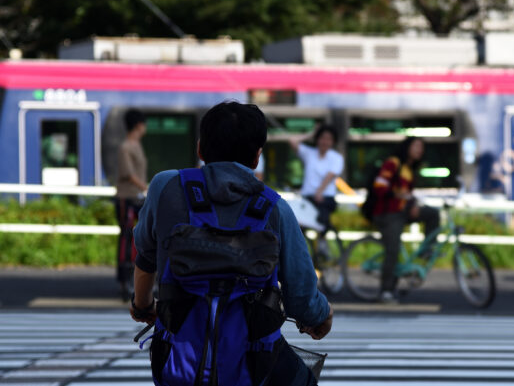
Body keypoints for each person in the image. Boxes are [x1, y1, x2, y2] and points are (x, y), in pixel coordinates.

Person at [130, 101, 333, 385]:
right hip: (254, 364)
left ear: (200, 149)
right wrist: (322, 316)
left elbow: (145, 258)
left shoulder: (166, 188)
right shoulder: (274, 208)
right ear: (256, 158)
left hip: (177, 361)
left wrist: (142, 306)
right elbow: (301, 299)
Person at [370, 136, 440, 305]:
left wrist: (412, 204)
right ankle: (386, 290)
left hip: (402, 212)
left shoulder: (409, 169)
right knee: (392, 250)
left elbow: (407, 195)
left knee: (433, 214)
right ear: (407, 147)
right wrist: (403, 197)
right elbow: (380, 187)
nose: (419, 150)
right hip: (387, 213)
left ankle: (426, 250)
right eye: (416, 146)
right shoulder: (393, 163)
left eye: (421, 147)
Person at [115, 109, 147, 299]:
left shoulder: (135, 145)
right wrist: (147, 188)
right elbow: (129, 174)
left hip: (137, 198)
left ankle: (134, 280)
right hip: (126, 198)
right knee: (126, 240)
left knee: (138, 239)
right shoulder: (125, 147)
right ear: (138, 125)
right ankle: (124, 281)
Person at [289, 125, 345, 235]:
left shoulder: (336, 157)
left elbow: (330, 176)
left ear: (333, 142)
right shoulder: (309, 153)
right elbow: (292, 141)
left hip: (325, 198)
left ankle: (322, 246)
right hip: (308, 197)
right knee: (299, 226)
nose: (325, 141)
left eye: (329, 139)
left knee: (322, 224)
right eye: (322, 137)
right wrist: (312, 133)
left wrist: (319, 192)